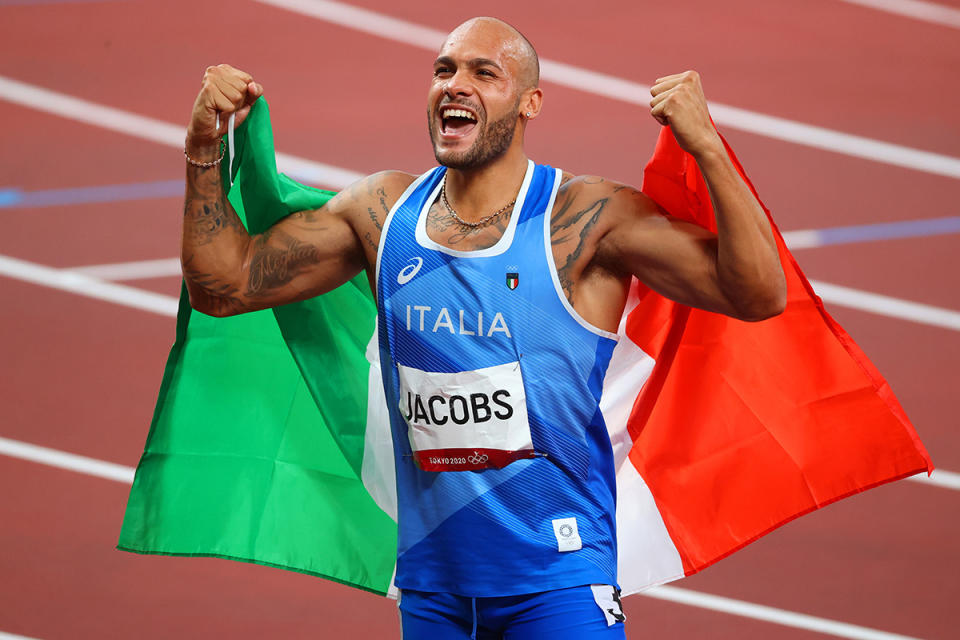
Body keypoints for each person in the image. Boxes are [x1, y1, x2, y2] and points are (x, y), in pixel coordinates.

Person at [180, 16, 786, 640]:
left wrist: (707, 144)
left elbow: (759, 293)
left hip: (557, 581)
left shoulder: (583, 221)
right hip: (433, 588)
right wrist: (203, 144)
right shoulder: (382, 214)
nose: (455, 85)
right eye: (444, 70)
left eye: (483, 72)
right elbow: (223, 287)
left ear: (530, 104)